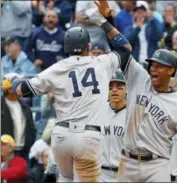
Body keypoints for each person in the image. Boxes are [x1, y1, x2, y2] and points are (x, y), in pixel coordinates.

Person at [10, 1, 132, 182]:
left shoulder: (57, 68)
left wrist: (13, 78)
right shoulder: (101, 62)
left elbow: (21, 90)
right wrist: (103, 22)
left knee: (65, 180)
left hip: (62, 136)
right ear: (88, 47)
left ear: (65, 47)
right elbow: (125, 49)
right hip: (89, 136)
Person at [116, 48, 177, 182]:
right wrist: (106, 26)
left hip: (157, 165)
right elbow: (123, 53)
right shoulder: (140, 79)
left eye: (158, 66)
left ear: (171, 70)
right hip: (127, 161)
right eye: (152, 65)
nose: (153, 69)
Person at [1, 75, 36, 162]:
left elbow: (32, 128)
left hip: (24, 151)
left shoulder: (25, 107)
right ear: (10, 89)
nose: (22, 89)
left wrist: (29, 143)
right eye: (18, 86)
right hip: (5, 153)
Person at [100, 71, 127, 182]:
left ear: (127, 89)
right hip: (100, 174)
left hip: (125, 175)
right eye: (110, 87)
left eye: (119, 86)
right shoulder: (97, 111)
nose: (114, 90)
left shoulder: (134, 115)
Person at [124, 1, 163, 66]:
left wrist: (152, 21)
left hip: (151, 63)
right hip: (135, 64)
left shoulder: (152, 26)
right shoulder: (129, 29)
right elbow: (128, 42)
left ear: (146, 13)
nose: (140, 14)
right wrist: (138, 28)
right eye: (137, 12)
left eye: (142, 11)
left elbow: (159, 37)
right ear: (133, 13)